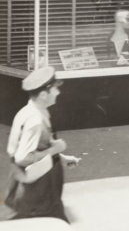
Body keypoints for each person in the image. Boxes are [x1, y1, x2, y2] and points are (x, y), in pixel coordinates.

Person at [4, 67, 80, 222]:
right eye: (55, 89)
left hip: (35, 188)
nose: (58, 92)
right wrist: (54, 150)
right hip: (38, 192)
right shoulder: (35, 121)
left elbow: (37, 146)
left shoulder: (30, 111)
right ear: (44, 94)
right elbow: (23, 157)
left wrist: (61, 157)